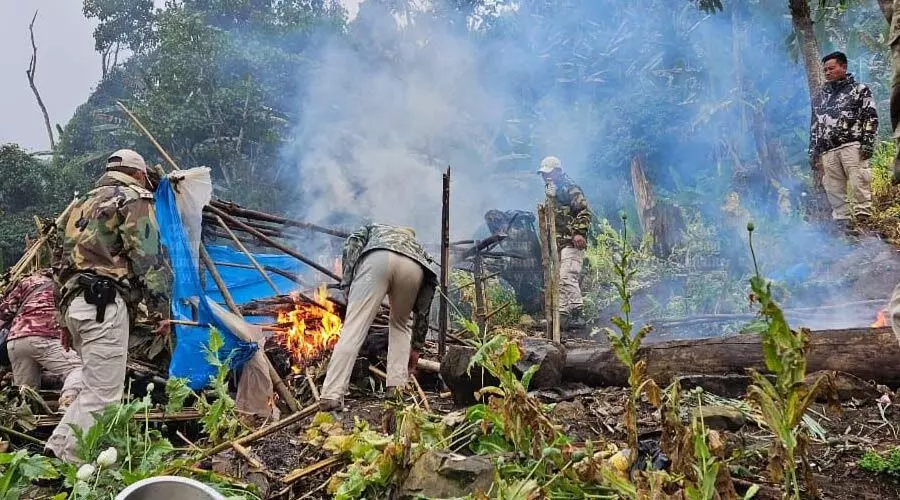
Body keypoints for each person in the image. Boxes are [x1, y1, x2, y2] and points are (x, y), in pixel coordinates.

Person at [48, 149, 172, 462]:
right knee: (105, 397)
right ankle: (75, 466)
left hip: (77, 306)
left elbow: (57, 264)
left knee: (92, 387)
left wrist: (63, 319)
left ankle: (56, 451)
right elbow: (148, 257)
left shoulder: (79, 205)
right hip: (103, 305)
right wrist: (162, 310)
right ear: (141, 174)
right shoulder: (132, 198)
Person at [319, 224, 437, 410]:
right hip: (412, 267)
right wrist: (417, 346)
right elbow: (424, 305)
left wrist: (347, 280)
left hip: (377, 259)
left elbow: (353, 242)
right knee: (401, 325)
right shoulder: (416, 248)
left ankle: (331, 395)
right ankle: (395, 390)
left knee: (354, 327)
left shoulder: (374, 228)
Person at [808, 51, 878, 228]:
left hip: (852, 146)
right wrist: (813, 152)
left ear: (844, 67)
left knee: (859, 184)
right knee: (834, 189)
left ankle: (866, 225)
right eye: (825, 70)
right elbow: (815, 126)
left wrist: (868, 142)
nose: (827, 73)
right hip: (828, 151)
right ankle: (843, 225)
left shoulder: (859, 89)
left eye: (831, 68)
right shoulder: (820, 97)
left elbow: (870, 117)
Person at [0, 269, 82, 409]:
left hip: (16, 342)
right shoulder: (67, 284)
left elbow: (5, 312)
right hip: (44, 337)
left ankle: (26, 426)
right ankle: (68, 402)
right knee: (80, 369)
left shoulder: (27, 281)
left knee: (27, 397)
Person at [537, 156, 592, 330]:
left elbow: (584, 211)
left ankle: (577, 315)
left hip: (570, 241)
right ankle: (562, 317)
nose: (545, 177)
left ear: (558, 172)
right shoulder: (551, 192)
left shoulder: (570, 188)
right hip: (557, 243)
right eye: (544, 174)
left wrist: (578, 233)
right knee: (558, 279)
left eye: (549, 173)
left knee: (567, 276)